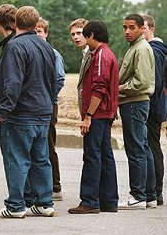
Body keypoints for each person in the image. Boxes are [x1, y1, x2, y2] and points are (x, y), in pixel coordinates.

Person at [0, 6, 56, 219]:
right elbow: (53, 79)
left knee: (17, 159)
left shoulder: (15, 46)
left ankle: (15, 205)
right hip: (43, 111)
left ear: (16, 23)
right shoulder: (45, 46)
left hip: (21, 113)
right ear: (35, 23)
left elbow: (13, 82)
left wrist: (4, 110)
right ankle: (45, 202)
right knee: (41, 159)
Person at [67, 21, 120, 214]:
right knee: (106, 155)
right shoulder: (107, 54)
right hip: (106, 113)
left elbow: (99, 88)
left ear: (90, 35)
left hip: (97, 114)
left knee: (92, 155)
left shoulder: (100, 56)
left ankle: (89, 200)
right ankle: (109, 200)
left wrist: (88, 115)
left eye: (84, 35)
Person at [118, 14, 156, 210]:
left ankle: (138, 195)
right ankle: (149, 195)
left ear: (142, 28)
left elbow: (141, 82)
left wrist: (119, 89)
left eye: (132, 27)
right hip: (136, 104)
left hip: (134, 103)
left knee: (136, 150)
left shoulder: (141, 49)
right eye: (125, 27)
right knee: (142, 148)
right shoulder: (135, 47)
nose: (127, 31)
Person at [35, 17, 65, 201]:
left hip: (48, 104)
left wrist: (46, 95)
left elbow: (60, 79)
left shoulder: (54, 54)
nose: (37, 34)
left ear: (46, 33)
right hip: (35, 105)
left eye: (40, 31)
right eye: (35, 30)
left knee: (48, 144)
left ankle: (55, 186)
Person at [142, 14, 166, 206]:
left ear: (151, 29)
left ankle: (156, 191)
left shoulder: (154, 51)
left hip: (152, 107)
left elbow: (155, 83)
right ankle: (154, 191)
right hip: (156, 107)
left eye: (143, 28)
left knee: (152, 147)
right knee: (152, 146)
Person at [0, 4, 17, 96]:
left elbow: (12, 81)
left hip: (9, 106)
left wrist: (5, 108)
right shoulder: (12, 42)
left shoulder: (13, 45)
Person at [68, 18, 90, 113]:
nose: (75, 37)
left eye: (79, 33)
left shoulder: (94, 54)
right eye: (73, 34)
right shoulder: (85, 53)